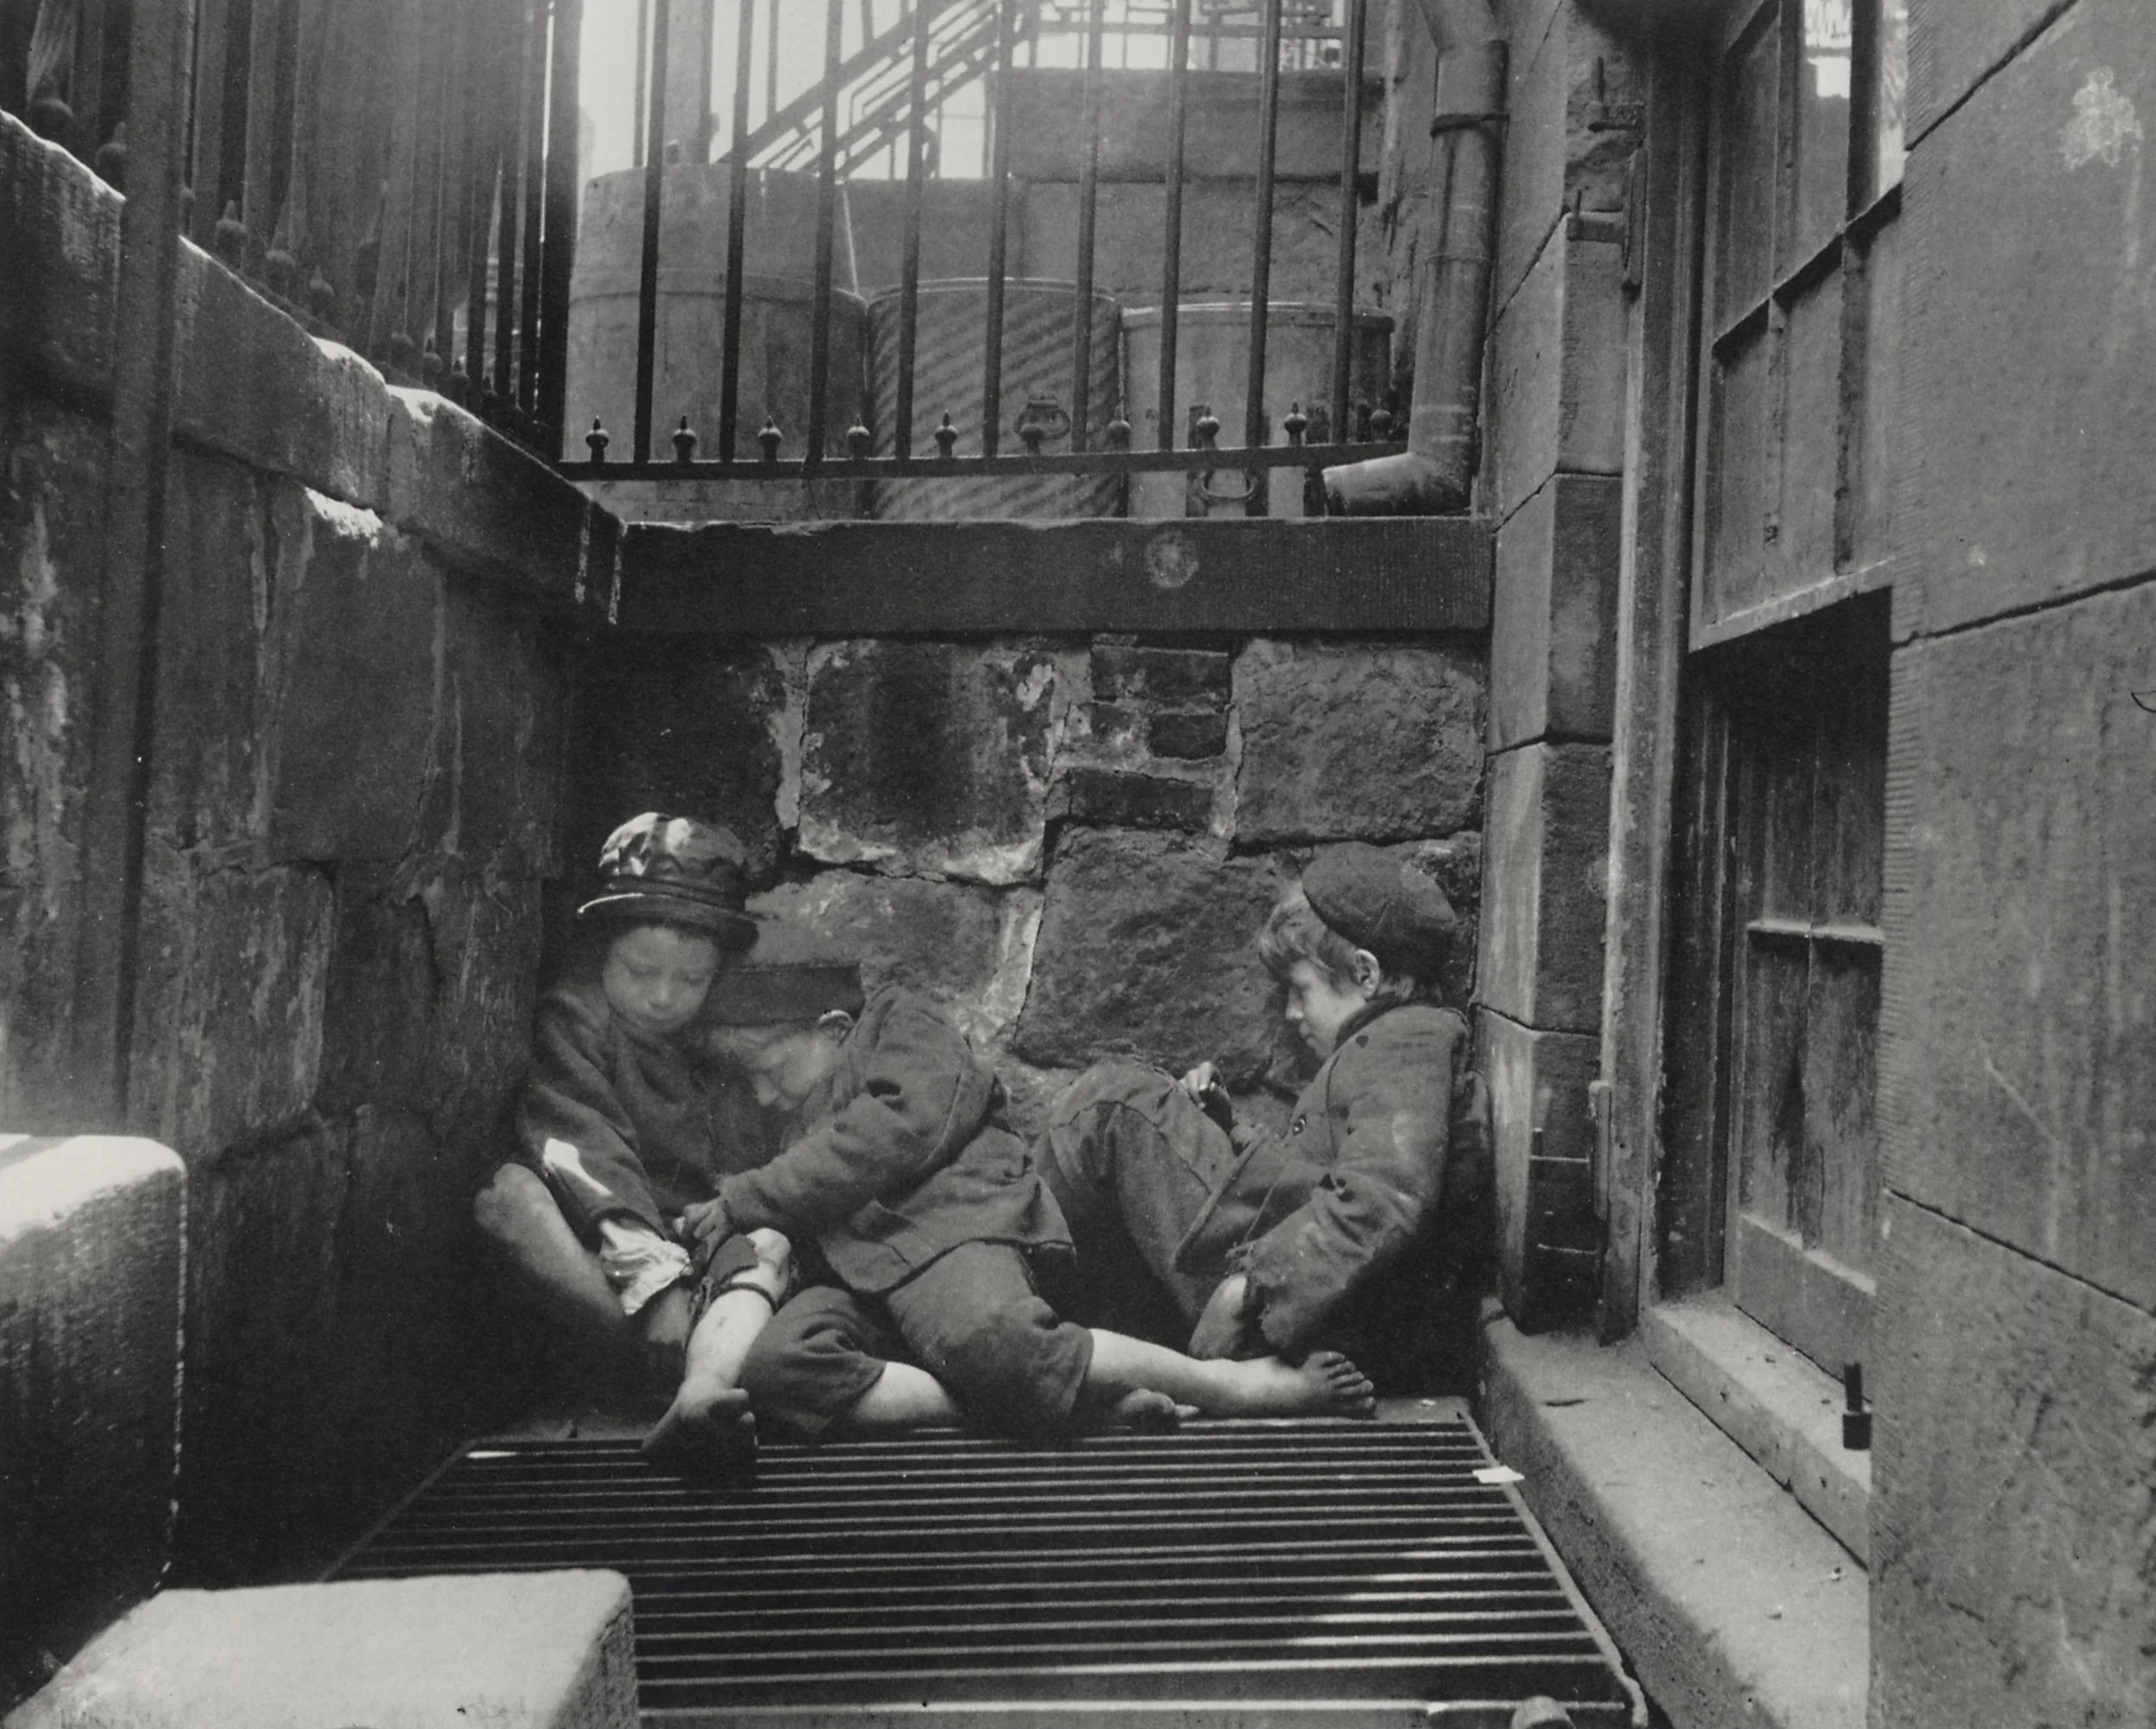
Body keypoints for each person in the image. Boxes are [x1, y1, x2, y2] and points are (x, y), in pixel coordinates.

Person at [683, 928, 1377, 1449]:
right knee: (778, 1371)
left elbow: (904, 1123)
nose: (762, 1094)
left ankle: (1229, 1385)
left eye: (770, 1069)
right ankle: (1073, 1401)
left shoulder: (900, 1024)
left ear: (834, 1030)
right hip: (866, 1281)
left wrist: (751, 1196)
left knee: (995, 1339)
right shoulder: (777, 1121)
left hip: (948, 1228)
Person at [1037, 842, 1489, 1394]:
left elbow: (1386, 1196)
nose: (1292, 1014)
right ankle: (1056, 1343)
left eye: (1300, 990)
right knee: (1124, 1106)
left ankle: (1015, 1328)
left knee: (1113, 1106)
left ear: (1366, 974)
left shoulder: (1408, 1040)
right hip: (1311, 1300)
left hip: (1299, 1312)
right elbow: (1322, 1174)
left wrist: (1250, 1287)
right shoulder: (1392, 1044)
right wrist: (1229, 1128)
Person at [473, 811, 788, 1476]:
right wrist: (653, 1282)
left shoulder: (718, 1046)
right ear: (604, 951)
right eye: (640, 970)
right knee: (507, 1198)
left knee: (770, 1246)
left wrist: (712, 1246)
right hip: (606, 1248)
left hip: (696, 1256)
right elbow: (582, 1146)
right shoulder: (578, 1017)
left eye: (691, 980)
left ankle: (702, 1384)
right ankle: (656, 1361)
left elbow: (741, 1176)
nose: (663, 996)